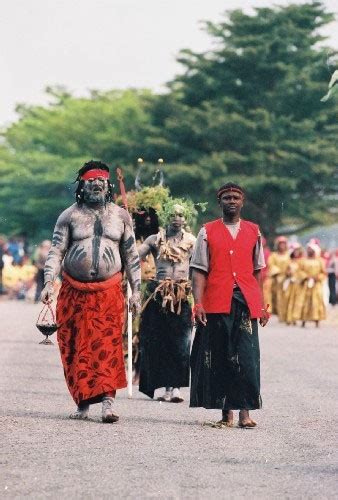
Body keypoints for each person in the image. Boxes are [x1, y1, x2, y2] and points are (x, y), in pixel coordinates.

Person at [41, 160, 141, 423]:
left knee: (108, 347)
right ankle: (83, 402)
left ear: (108, 186)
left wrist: (136, 292)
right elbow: (55, 251)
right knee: (74, 347)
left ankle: (108, 403)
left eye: (101, 182)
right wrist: (49, 281)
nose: (96, 186)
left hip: (108, 292)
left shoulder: (121, 216)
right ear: (82, 187)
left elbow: (131, 256)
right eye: (90, 182)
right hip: (74, 291)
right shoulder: (69, 216)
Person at [190, 182, 269, 428]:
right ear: (220, 202)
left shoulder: (254, 231)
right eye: (227, 198)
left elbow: (258, 272)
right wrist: (198, 304)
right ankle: (226, 414)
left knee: (246, 357)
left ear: (242, 202)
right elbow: (198, 272)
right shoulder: (207, 231)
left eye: (235, 197)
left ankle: (245, 413)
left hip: (245, 302)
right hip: (217, 303)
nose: (231, 201)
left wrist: (262, 305)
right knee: (222, 355)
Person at [137, 199, 196, 403]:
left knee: (181, 341)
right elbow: (134, 257)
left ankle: (176, 387)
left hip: (181, 295)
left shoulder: (192, 241)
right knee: (159, 341)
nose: (176, 219)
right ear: (165, 218)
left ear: (185, 218)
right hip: (159, 294)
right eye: (172, 215)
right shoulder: (155, 240)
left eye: (180, 215)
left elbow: (201, 267)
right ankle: (164, 388)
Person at [297, 242, 326, 327]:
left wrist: (317, 277)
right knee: (305, 302)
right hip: (306, 285)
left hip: (316, 285)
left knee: (316, 302)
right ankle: (303, 321)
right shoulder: (303, 261)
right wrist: (306, 277)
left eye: (311, 249)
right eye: (308, 249)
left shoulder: (320, 261)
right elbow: (299, 271)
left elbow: (323, 273)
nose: (310, 251)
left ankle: (317, 320)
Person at [267, 236, 290, 320]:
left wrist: (289, 271)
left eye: (284, 244)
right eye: (280, 244)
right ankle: (280, 314)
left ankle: (288, 315)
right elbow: (271, 265)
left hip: (287, 279)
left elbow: (293, 264)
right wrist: (278, 272)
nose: (282, 246)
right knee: (278, 297)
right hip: (277, 279)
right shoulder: (274, 255)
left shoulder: (289, 255)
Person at [283, 243, 304, 325]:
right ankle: (289, 318)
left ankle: (296, 318)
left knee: (297, 301)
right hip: (291, 284)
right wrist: (288, 274)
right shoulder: (289, 262)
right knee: (289, 301)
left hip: (298, 284)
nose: (296, 252)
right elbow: (285, 271)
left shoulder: (301, 262)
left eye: (297, 251)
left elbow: (303, 271)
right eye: (295, 251)